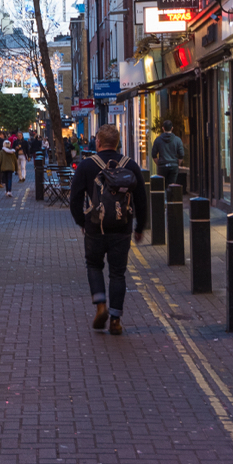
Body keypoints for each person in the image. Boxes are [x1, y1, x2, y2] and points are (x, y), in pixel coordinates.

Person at [70, 124, 148, 336]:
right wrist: (139, 227)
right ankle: (115, 320)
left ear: (98, 142)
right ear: (118, 142)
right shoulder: (130, 165)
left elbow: (74, 199)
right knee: (118, 273)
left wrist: (82, 223)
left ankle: (100, 304)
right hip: (122, 228)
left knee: (94, 266)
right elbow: (141, 199)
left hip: (95, 227)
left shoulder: (87, 166)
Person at [150, 120, 187, 189]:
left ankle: (163, 199)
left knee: (161, 187)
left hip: (162, 166)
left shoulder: (158, 140)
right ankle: (171, 198)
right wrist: (176, 164)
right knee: (172, 186)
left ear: (163, 128)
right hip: (173, 166)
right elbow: (181, 155)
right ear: (172, 128)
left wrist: (159, 163)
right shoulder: (177, 140)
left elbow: (153, 154)